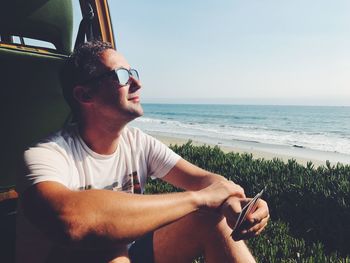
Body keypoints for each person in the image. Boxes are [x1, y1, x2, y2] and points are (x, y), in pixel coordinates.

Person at [15, 40, 269, 263]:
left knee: (213, 223)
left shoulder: (138, 143)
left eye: (133, 73)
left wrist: (235, 203)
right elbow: (72, 221)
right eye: (121, 75)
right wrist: (199, 199)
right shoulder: (47, 154)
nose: (137, 83)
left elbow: (207, 181)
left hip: (130, 253)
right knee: (107, 250)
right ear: (85, 94)